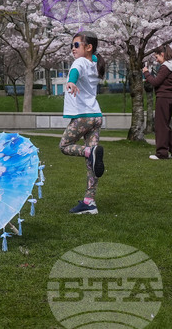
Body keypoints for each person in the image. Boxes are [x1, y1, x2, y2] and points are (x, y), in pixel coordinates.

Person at [59, 31, 106, 215]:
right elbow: (86, 63)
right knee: (92, 163)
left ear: (88, 47)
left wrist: (71, 82)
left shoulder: (80, 62)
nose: (73, 48)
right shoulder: (95, 63)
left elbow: (75, 72)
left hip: (83, 117)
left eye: (76, 45)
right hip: (96, 116)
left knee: (64, 146)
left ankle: (89, 151)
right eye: (72, 45)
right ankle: (89, 202)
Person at [142, 45, 172, 160]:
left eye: (157, 57)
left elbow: (155, 82)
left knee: (160, 126)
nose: (156, 60)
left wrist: (146, 73)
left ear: (162, 54)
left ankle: (161, 153)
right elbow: (161, 81)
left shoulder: (165, 67)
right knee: (165, 126)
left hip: (163, 98)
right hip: (170, 98)